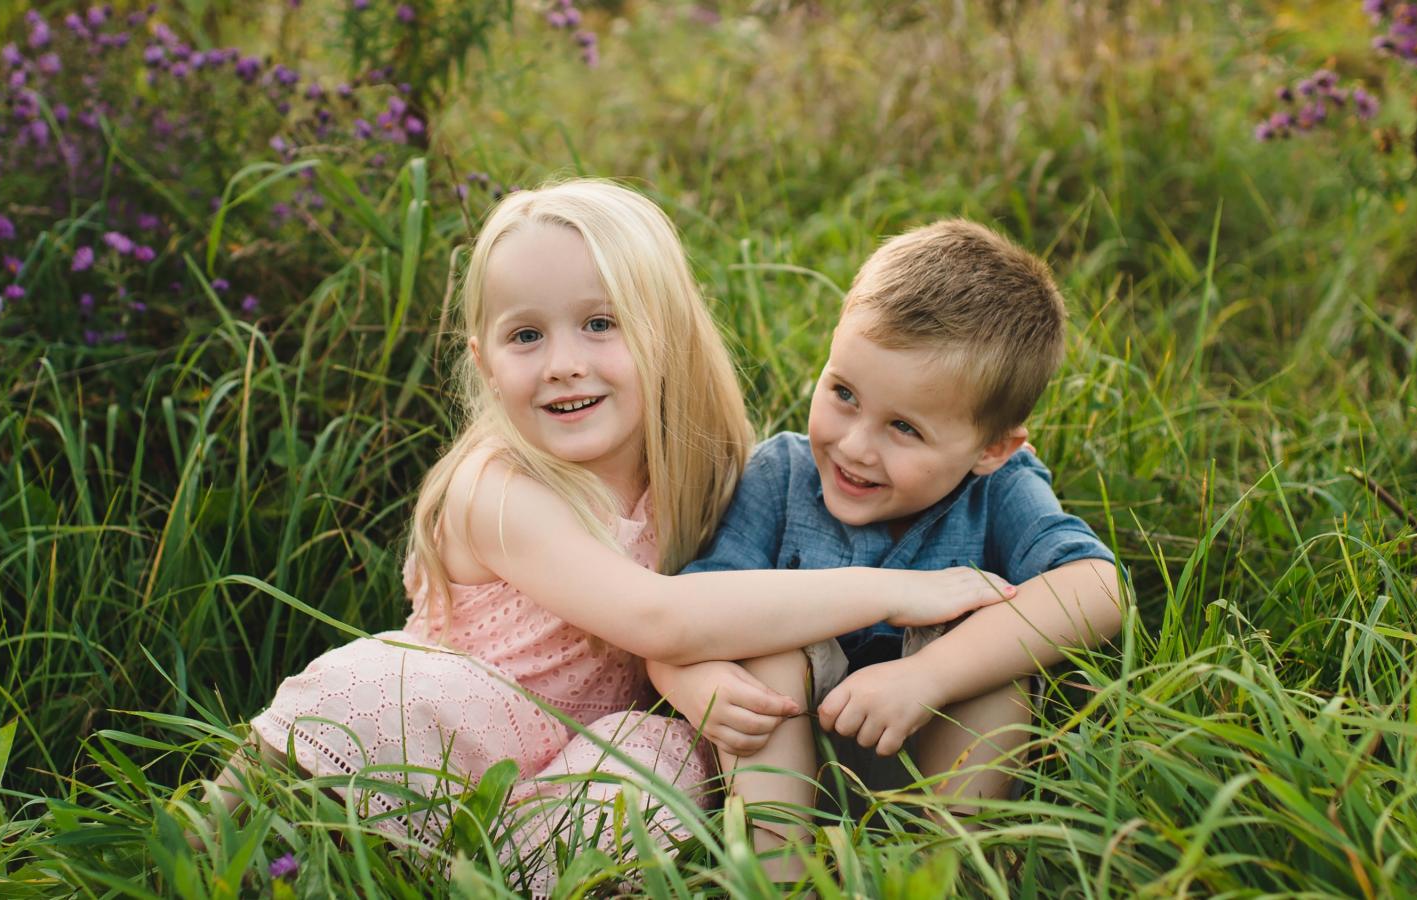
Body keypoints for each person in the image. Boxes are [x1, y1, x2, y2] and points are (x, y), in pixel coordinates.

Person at [200, 181, 1016, 894]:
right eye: (527, 336)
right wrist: (905, 588)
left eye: (599, 324)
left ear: (664, 332)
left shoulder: (698, 467)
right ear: (484, 362)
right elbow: (659, 617)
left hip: (574, 760)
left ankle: (523, 876)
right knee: (401, 687)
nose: (562, 363)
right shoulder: (498, 488)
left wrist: (693, 688)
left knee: (661, 757)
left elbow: (721, 612)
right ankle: (229, 850)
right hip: (457, 741)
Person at [648, 219, 1125, 876]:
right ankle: (782, 881)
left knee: (998, 672)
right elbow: (692, 607)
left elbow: (1097, 589)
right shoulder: (781, 474)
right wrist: (683, 675)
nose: (854, 446)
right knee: (762, 646)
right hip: (788, 751)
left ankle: (945, 873)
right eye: (843, 394)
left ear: (990, 449)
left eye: (904, 427)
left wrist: (930, 676)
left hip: (923, 758)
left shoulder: (999, 489)